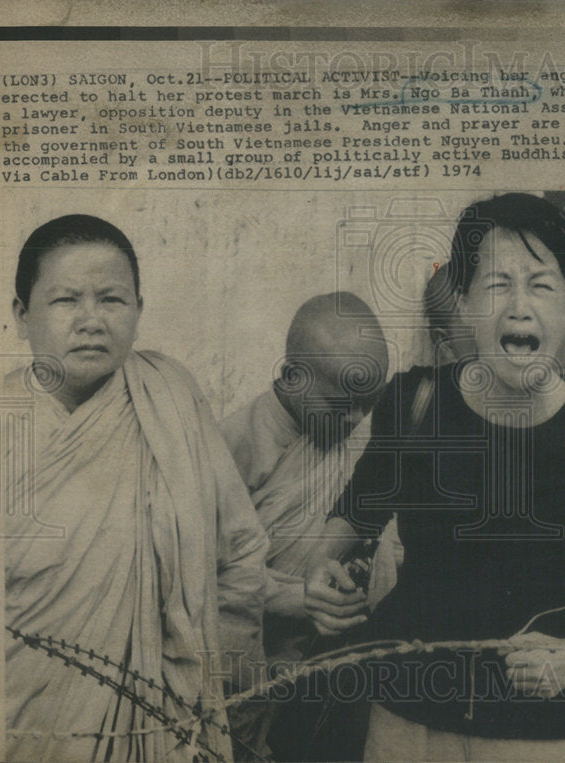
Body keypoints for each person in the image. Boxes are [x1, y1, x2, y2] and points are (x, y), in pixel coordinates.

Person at [303, 193, 565, 760]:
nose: (519, 308)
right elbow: (359, 509)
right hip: (408, 713)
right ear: (468, 303)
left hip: (540, 726)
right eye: (497, 284)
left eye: (542, 285)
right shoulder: (414, 403)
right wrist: (320, 569)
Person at [3, 214, 270, 762]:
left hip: (164, 729)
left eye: (112, 300)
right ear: (22, 315)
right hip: (22, 726)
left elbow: (240, 553)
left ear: (140, 311)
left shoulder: (171, 398)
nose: (91, 320)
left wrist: (203, 688)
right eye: (65, 301)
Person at [219, 292, 392, 758]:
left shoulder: (357, 437)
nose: (356, 421)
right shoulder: (234, 445)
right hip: (252, 667)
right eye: (342, 405)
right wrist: (299, 599)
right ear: (293, 376)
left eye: (368, 405)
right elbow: (204, 575)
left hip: (337, 663)